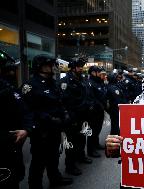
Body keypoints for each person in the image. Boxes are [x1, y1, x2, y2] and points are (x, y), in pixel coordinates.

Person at [20, 54, 73, 189]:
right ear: (41, 67)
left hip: (55, 128)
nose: (53, 67)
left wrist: (65, 114)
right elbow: (29, 109)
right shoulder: (30, 85)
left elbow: (59, 101)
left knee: (54, 157)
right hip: (41, 130)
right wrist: (48, 118)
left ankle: (55, 178)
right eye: (50, 65)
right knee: (39, 161)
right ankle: (35, 185)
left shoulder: (53, 82)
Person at [0, 50, 32, 189]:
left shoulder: (9, 88)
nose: (12, 73)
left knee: (14, 177)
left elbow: (24, 110)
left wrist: (26, 129)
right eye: (8, 70)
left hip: (13, 140)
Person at [59, 58, 93, 176]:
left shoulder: (83, 79)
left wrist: (89, 105)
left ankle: (81, 157)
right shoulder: (65, 81)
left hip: (83, 116)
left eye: (82, 66)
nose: (81, 68)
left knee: (82, 138)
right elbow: (64, 100)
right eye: (79, 67)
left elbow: (87, 94)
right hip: (73, 117)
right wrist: (69, 116)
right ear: (73, 68)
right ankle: (70, 166)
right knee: (71, 143)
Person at [87, 66, 108, 157]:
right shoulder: (90, 83)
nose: (100, 74)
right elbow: (92, 98)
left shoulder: (99, 82)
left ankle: (96, 144)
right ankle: (91, 150)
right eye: (98, 72)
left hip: (100, 110)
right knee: (93, 131)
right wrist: (99, 105)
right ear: (93, 73)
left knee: (98, 129)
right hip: (94, 112)